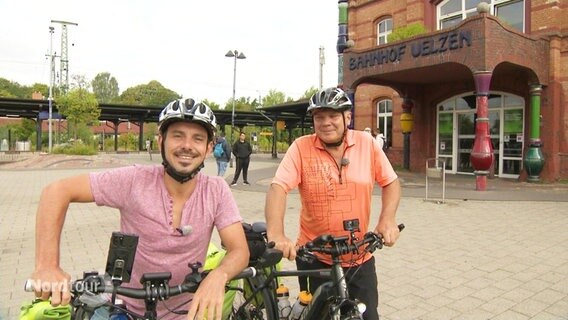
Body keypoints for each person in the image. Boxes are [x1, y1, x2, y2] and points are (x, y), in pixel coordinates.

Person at [29, 98, 250, 320]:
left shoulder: (216, 190)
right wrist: (48, 265)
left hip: (186, 313)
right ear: (161, 140)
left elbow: (239, 250)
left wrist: (219, 276)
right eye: (177, 135)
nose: (187, 146)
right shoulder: (135, 180)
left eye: (198, 138)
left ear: (209, 148)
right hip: (127, 308)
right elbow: (56, 192)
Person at [264, 87, 401, 320]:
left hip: (360, 256)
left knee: (367, 316)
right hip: (314, 257)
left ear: (347, 117)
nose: (326, 122)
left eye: (333, 116)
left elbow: (391, 182)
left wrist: (387, 220)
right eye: (319, 117)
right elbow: (278, 188)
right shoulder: (301, 147)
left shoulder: (367, 144)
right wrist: (276, 232)